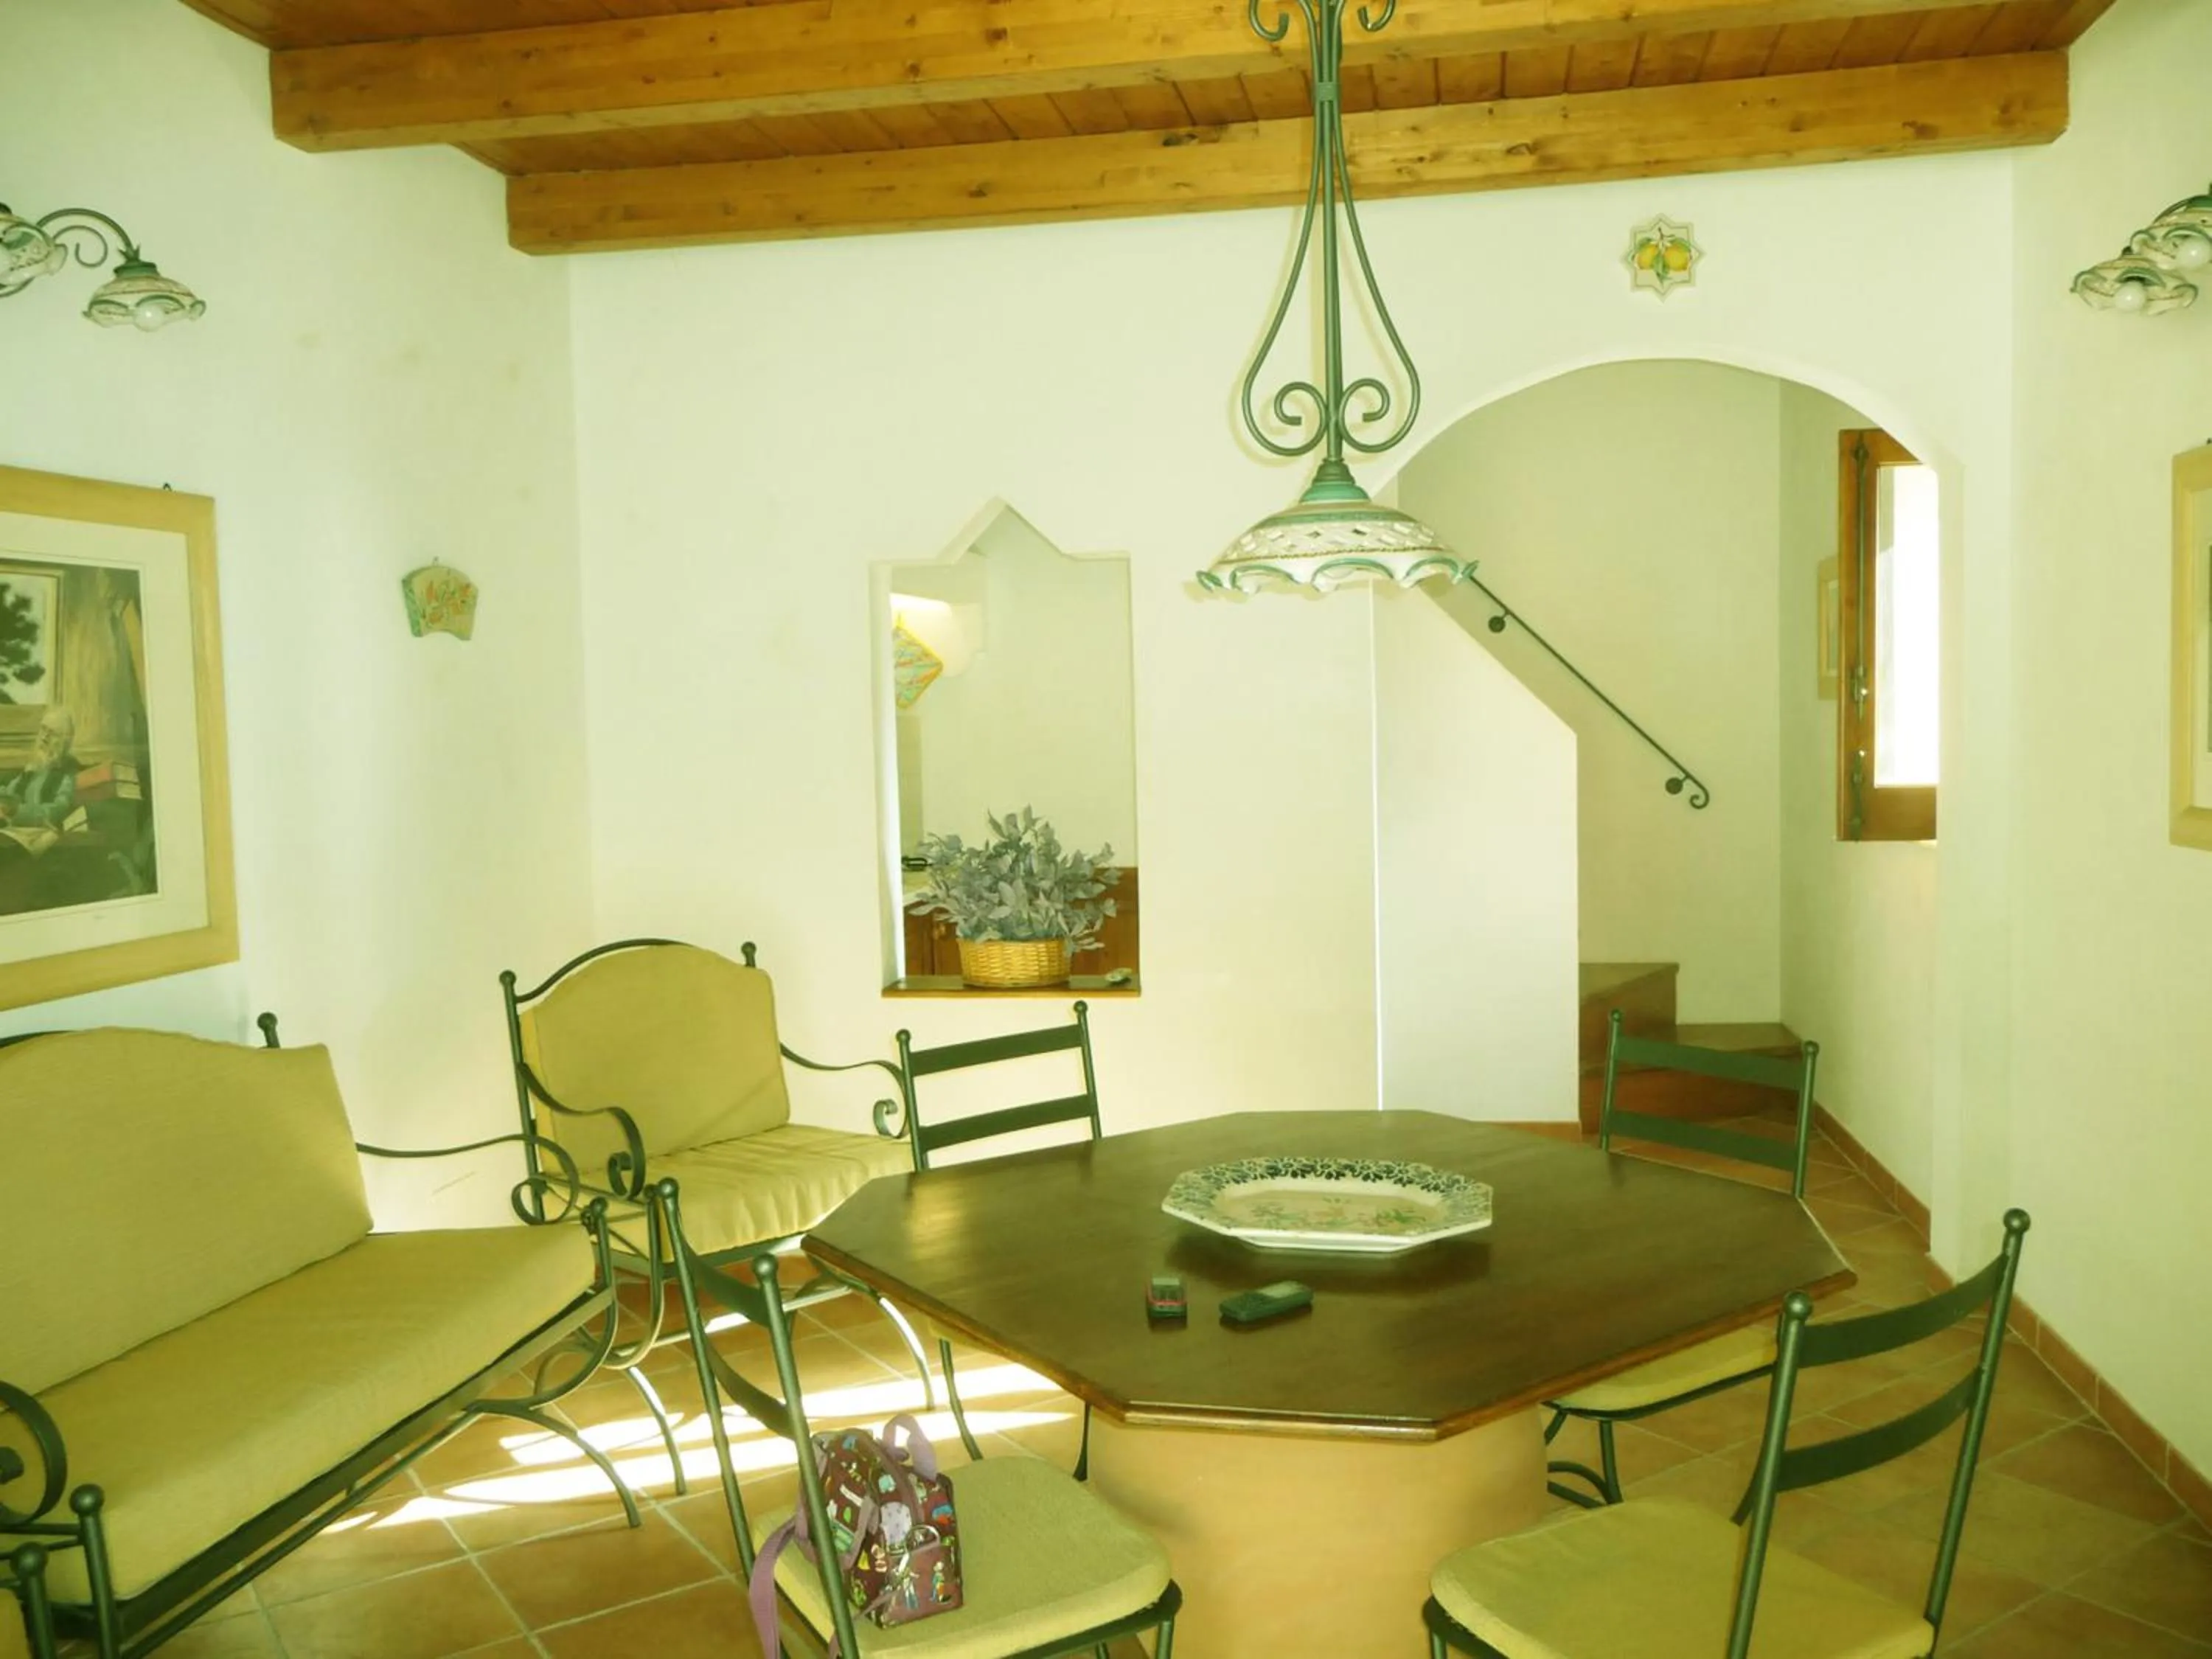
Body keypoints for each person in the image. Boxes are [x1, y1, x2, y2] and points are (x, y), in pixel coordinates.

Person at [0, 705, 80, 829]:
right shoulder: (34, 768)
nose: (44, 737)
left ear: (64, 742)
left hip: (51, 842)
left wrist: (16, 811)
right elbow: (10, 793)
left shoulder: (68, 774)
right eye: (43, 729)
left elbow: (56, 812)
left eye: (52, 733)